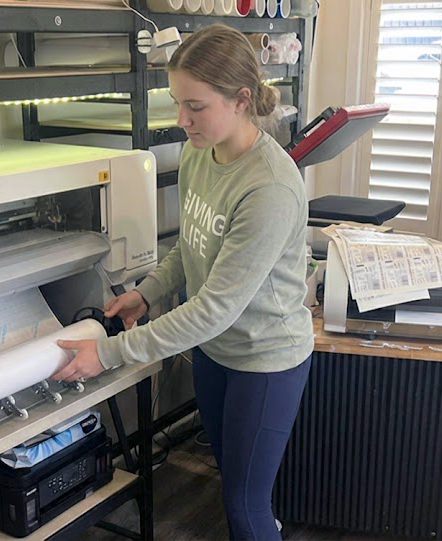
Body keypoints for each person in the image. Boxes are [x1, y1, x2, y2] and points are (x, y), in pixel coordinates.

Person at [53, 23, 314, 541]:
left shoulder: (270, 188)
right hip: (215, 354)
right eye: (177, 102)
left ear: (241, 100)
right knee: (231, 482)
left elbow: (214, 306)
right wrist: (145, 292)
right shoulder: (199, 153)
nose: (181, 120)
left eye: (195, 106)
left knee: (245, 505)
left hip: (264, 361)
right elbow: (191, 248)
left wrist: (110, 353)